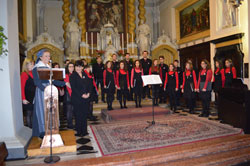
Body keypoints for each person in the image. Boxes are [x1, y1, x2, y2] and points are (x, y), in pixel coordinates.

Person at [32, 49, 69, 138]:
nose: (48, 58)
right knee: (42, 110)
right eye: (46, 56)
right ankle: (43, 132)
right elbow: (37, 82)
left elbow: (53, 80)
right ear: (40, 57)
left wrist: (65, 83)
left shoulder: (48, 67)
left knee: (51, 111)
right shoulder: (36, 68)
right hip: (42, 92)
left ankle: (51, 129)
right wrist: (46, 90)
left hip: (50, 90)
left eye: (49, 56)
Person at [70, 60, 91, 137]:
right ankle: (79, 131)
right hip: (77, 98)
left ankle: (84, 130)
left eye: (80, 66)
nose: (78, 68)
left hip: (86, 98)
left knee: (84, 114)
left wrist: (88, 93)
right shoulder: (73, 76)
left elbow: (89, 84)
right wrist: (82, 95)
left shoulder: (85, 74)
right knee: (78, 115)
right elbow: (74, 88)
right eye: (77, 66)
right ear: (75, 67)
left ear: (82, 67)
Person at [21, 59, 36, 128]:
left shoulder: (33, 73)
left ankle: (34, 129)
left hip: (33, 97)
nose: (33, 65)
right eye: (31, 64)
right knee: (28, 114)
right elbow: (22, 87)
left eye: (33, 64)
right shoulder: (24, 74)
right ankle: (30, 130)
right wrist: (23, 98)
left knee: (33, 114)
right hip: (28, 97)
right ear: (26, 65)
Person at [64, 62, 74, 129]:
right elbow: (68, 85)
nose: (71, 68)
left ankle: (71, 123)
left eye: (72, 66)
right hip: (69, 94)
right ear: (67, 68)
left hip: (73, 94)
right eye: (70, 66)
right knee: (69, 110)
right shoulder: (66, 75)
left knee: (73, 110)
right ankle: (69, 124)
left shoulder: (73, 74)